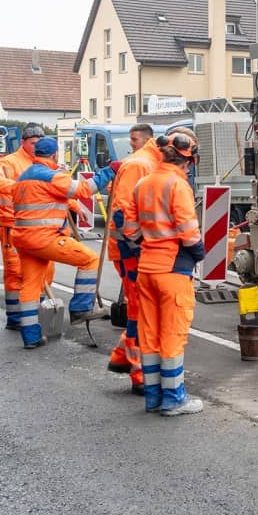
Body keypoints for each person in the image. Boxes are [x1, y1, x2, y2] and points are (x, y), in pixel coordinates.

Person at [123, 128, 206, 415]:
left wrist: (151, 240)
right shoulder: (178, 185)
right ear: (190, 160)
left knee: (150, 334)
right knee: (173, 333)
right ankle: (174, 399)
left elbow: (130, 231)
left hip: (146, 268)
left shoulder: (142, 184)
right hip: (173, 269)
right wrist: (198, 253)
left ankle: (153, 397)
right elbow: (188, 231)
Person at [9, 137, 114, 349]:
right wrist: (110, 171)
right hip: (44, 238)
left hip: (23, 239)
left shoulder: (23, 177)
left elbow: (45, 200)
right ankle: (81, 308)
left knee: (30, 285)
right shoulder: (50, 175)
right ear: (55, 155)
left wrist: (72, 206)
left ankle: (31, 336)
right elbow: (84, 189)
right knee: (89, 260)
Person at [105, 124, 162, 393]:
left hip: (136, 252)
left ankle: (121, 357)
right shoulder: (141, 165)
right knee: (141, 312)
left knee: (142, 311)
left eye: (133, 139)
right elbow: (124, 216)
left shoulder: (145, 163)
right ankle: (140, 375)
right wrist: (137, 249)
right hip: (134, 254)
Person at [0, 124, 54, 331]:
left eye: (39, 144)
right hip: (13, 226)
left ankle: (36, 310)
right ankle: (16, 316)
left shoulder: (47, 164)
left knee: (45, 269)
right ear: (23, 142)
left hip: (42, 227)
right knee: (16, 271)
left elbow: (56, 187)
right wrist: (20, 188)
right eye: (33, 143)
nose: (36, 147)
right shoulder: (9, 162)